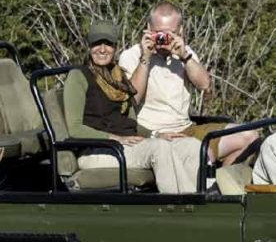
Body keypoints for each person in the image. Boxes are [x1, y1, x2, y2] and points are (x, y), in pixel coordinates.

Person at [63, 20, 201, 194]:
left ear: (115, 47)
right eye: (97, 44)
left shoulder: (117, 76)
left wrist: (155, 134)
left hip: (125, 146)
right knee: (159, 148)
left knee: (191, 146)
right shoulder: (78, 76)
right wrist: (114, 138)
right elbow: (75, 129)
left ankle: (202, 200)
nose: (102, 49)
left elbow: (130, 122)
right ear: (89, 46)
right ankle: (180, 206)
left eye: (108, 44)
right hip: (98, 150)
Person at [118, 2, 258, 166]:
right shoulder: (132, 55)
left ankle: (221, 184)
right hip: (154, 133)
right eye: (158, 34)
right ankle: (206, 185)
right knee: (203, 154)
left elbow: (205, 85)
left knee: (249, 136)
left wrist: (184, 56)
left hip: (186, 128)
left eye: (169, 34)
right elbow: (133, 98)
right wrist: (146, 58)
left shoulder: (185, 53)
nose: (163, 40)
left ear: (181, 31)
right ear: (148, 28)